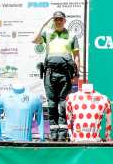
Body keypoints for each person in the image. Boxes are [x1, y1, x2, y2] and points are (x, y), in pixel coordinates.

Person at [32, 11, 80, 142]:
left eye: (61, 19)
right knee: (52, 102)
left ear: (65, 21)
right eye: (56, 19)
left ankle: (63, 132)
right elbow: (33, 40)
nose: (58, 21)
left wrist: (76, 74)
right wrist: (43, 24)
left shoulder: (71, 35)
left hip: (66, 72)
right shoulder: (47, 33)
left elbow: (76, 56)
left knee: (64, 103)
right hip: (50, 72)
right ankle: (53, 131)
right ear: (53, 20)